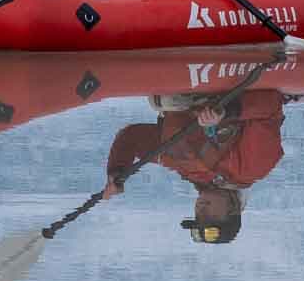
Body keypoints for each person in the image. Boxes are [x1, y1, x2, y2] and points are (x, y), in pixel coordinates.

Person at [99, 86, 288, 245]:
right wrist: (226, 112)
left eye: (198, 218)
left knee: (160, 100)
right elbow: (271, 106)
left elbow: (131, 138)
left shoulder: (184, 169)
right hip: (223, 85)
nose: (201, 212)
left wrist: (116, 172)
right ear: (232, 209)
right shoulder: (251, 167)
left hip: (174, 86)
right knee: (165, 99)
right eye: (210, 217)